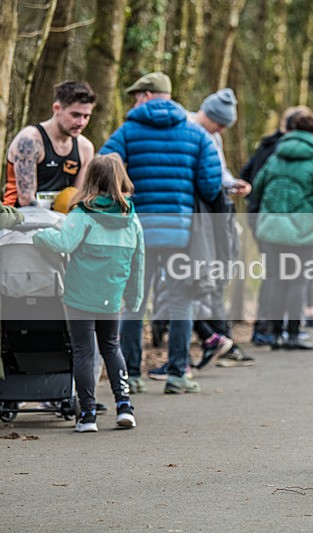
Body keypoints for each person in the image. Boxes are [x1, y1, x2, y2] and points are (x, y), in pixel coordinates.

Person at [100, 71, 222, 395]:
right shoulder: (195, 134)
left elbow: (102, 169)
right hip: (181, 235)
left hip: (137, 232)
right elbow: (210, 186)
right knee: (182, 303)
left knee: (134, 303)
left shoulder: (126, 132)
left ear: (148, 95)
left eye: (139, 94)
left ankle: (132, 375)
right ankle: (178, 374)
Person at [32, 154, 144, 432]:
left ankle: (88, 415)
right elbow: (139, 259)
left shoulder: (82, 213)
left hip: (80, 295)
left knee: (83, 352)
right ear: (120, 179)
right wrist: (135, 297)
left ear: (89, 179)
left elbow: (64, 243)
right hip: (112, 295)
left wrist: (39, 235)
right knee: (112, 347)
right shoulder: (130, 216)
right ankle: (124, 406)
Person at [186, 88, 254, 369]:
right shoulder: (188, 129)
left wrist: (231, 183)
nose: (223, 131)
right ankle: (212, 338)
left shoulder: (212, 135)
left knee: (212, 277)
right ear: (210, 115)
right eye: (221, 124)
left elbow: (219, 170)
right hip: (194, 213)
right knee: (191, 281)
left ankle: (216, 338)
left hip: (215, 209)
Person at [252, 107, 313, 350]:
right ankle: (293, 334)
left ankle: (274, 334)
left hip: (272, 230)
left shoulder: (275, 156)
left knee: (275, 280)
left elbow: (258, 187)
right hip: (303, 233)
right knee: (297, 282)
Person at [4, 81, 96, 208]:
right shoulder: (30, 140)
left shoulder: (85, 148)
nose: (81, 122)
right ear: (57, 108)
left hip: (61, 222)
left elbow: (78, 199)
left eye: (86, 116)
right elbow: (25, 200)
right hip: (18, 219)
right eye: (75, 115)